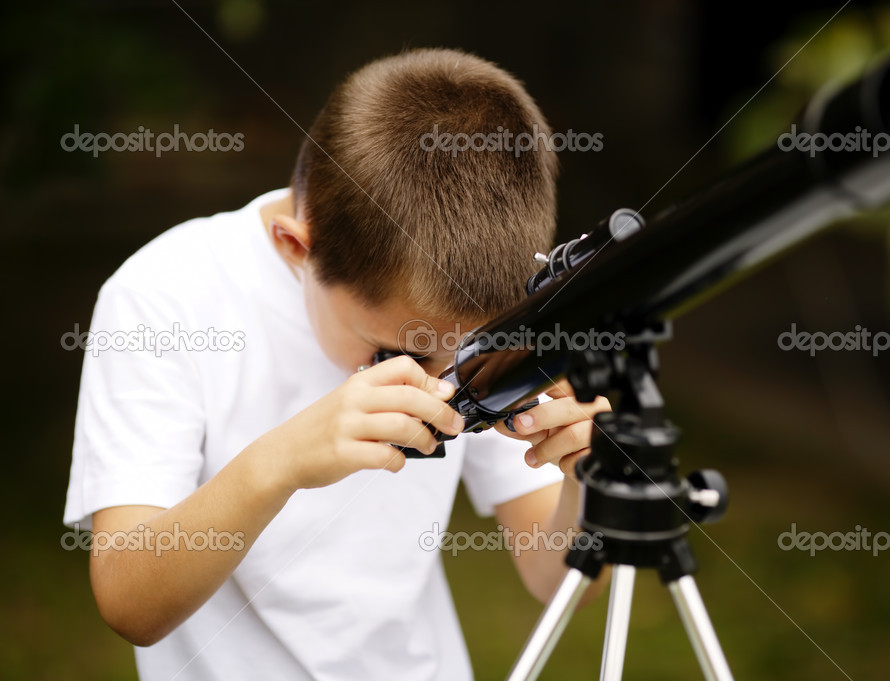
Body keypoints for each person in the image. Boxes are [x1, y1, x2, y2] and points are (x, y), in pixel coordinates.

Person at [64, 47, 610, 681]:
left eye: (460, 355)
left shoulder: (470, 311)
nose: (437, 378)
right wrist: (282, 462)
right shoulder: (162, 297)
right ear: (297, 247)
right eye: (398, 351)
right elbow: (129, 600)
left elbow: (558, 577)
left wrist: (581, 484)